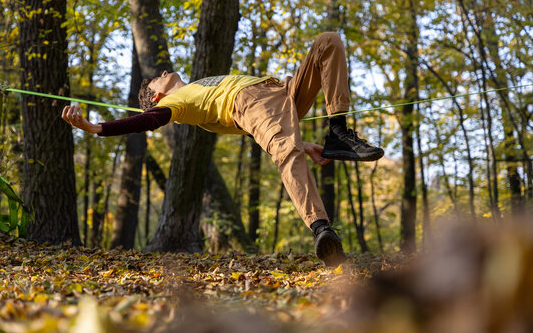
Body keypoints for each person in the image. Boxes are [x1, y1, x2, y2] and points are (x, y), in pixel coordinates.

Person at [62, 32, 384, 267]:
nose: (161, 75)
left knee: (328, 42)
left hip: (282, 92)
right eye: (155, 82)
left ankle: (338, 131)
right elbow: (146, 122)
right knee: (286, 154)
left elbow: (265, 124)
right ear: (157, 97)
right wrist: (97, 128)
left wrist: (308, 143)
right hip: (253, 104)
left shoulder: (195, 87)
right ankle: (322, 229)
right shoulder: (177, 104)